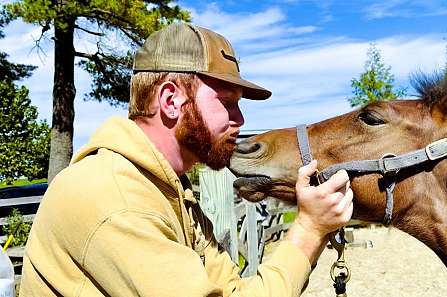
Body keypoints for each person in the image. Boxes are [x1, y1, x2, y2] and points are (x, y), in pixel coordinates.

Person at [19, 23, 353, 296]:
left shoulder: (169, 190)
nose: (240, 119)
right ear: (170, 100)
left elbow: (234, 291)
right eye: (226, 101)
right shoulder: (115, 197)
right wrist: (309, 229)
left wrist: (314, 227)